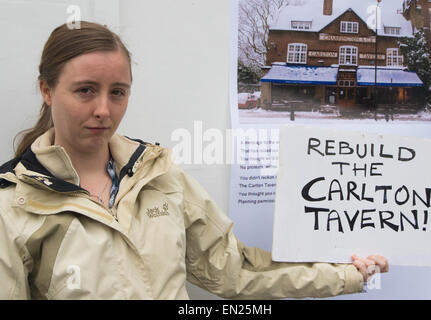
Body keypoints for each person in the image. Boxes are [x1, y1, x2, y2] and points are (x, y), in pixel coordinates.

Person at [0, 21, 388, 300]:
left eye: (117, 92)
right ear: (47, 90)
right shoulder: (12, 203)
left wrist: (347, 274)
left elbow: (236, 272)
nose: (104, 109)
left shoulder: (158, 175)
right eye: (85, 90)